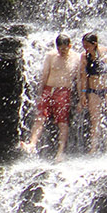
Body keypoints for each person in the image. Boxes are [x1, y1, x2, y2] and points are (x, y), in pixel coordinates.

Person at [20, 33, 82, 161]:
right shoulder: (51, 56)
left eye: (65, 49)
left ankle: (60, 153)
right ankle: (32, 144)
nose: (62, 51)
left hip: (64, 91)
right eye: (60, 49)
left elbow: (80, 79)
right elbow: (44, 75)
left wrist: (82, 98)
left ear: (70, 46)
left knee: (62, 122)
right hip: (49, 89)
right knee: (40, 117)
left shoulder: (77, 58)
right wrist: (39, 94)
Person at [82, 32, 107, 153]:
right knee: (95, 120)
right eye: (84, 45)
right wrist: (83, 94)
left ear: (95, 44)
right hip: (93, 91)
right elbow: (83, 77)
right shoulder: (84, 56)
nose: (85, 48)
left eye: (87, 45)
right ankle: (93, 148)